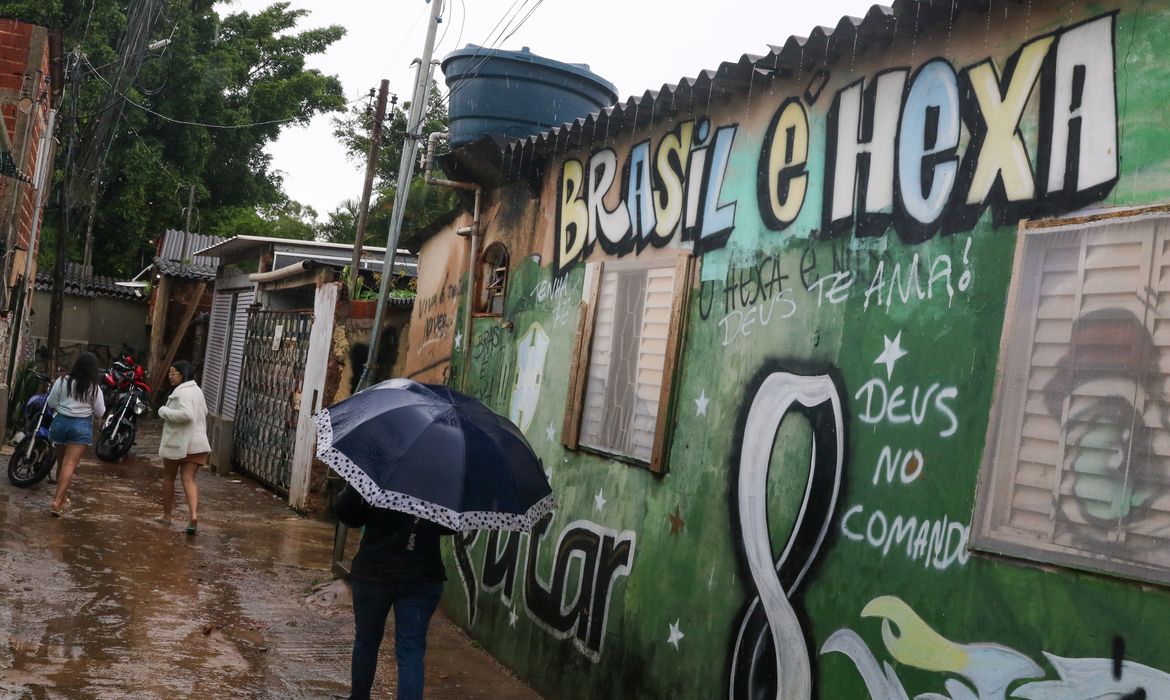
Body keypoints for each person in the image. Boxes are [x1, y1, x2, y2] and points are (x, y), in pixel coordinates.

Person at [335, 484, 452, 700]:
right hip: (422, 576)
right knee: (411, 652)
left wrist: (353, 485)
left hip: (375, 574)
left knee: (366, 642)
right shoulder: (442, 477)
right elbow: (449, 527)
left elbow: (350, 516)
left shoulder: (380, 469)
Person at [47, 352, 106, 516]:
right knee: (69, 465)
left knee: (61, 463)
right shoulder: (94, 388)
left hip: (60, 424)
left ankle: (62, 497)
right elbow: (100, 412)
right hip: (80, 427)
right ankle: (58, 501)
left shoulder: (62, 381)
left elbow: (51, 402)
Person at [157, 360, 210, 535]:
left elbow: (186, 415)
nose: (170, 377)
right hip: (197, 443)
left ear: (182, 374)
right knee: (189, 480)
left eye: (173, 373)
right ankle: (193, 515)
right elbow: (205, 413)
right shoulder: (198, 391)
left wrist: (164, 411)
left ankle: (166, 515)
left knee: (169, 478)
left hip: (180, 443)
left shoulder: (183, 392)